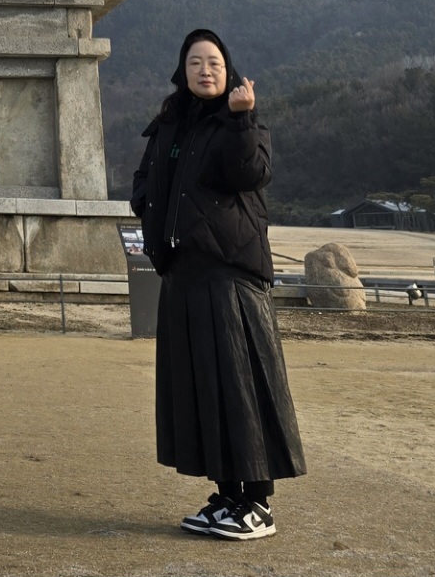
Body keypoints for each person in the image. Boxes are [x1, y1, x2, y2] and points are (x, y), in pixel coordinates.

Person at [129, 27, 306, 541]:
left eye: (214, 63)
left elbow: (250, 173)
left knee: (240, 383)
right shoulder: (168, 126)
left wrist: (241, 117)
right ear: (181, 72)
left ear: (229, 72)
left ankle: (258, 502)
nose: (205, 70)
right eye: (195, 63)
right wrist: (146, 205)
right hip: (184, 272)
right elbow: (145, 180)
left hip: (231, 273)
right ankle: (228, 494)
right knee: (202, 387)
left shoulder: (241, 122)